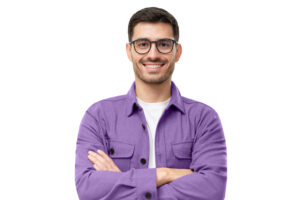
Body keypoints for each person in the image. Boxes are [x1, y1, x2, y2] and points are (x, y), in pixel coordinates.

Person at [75, 7, 227, 200]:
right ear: (129, 51)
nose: (153, 54)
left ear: (177, 52)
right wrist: (165, 174)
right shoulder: (99, 116)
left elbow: (212, 190)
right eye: (143, 44)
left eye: (163, 44)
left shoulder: (204, 118)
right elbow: (88, 189)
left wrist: (121, 181)